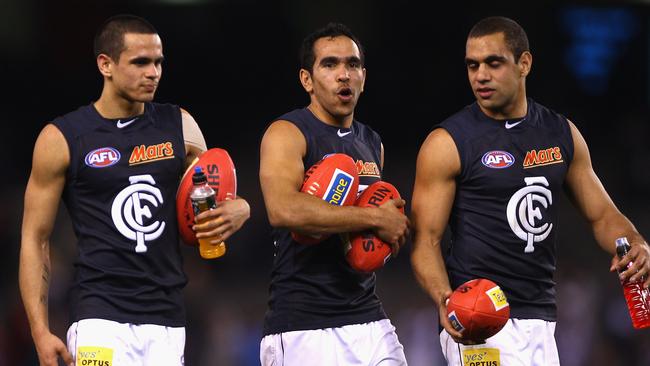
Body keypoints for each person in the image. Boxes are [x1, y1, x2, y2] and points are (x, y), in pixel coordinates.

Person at [411, 16, 650, 365]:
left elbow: (602, 215)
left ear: (524, 63)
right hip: (479, 319)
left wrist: (635, 240)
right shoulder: (447, 143)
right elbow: (424, 240)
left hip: (541, 320)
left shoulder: (561, 134)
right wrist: (444, 298)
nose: (480, 76)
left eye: (493, 63)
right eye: (472, 65)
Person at [19, 14, 250, 366]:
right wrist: (39, 330)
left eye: (158, 62)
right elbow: (35, 238)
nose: (153, 72)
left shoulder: (181, 126)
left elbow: (213, 192)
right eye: (140, 62)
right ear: (105, 65)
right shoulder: (63, 138)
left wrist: (241, 208)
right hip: (99, 318)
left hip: (167, 320)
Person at [258, 23, 409, 365]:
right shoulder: (288, 133)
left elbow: (365, 228)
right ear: (306, 80)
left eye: (352, 65)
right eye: (329, 65)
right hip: (303, 325)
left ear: (364, 77)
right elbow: (283, 210)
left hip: (367, 314)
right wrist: (375, 218)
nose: (344, 74)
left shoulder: (372, 143)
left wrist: (387, 234)